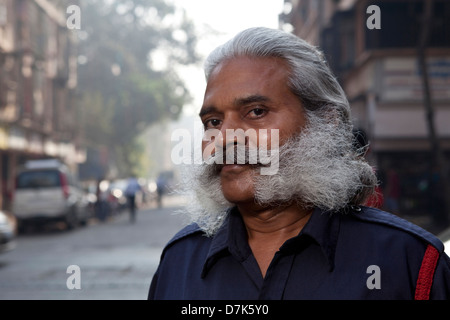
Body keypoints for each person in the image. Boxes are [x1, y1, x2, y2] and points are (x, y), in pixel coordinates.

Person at [148, 27, 450, 299]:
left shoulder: (408, 262)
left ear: (326, 122)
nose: (224, 138)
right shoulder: (179, 261)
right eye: (213, 121)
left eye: (256, 112)